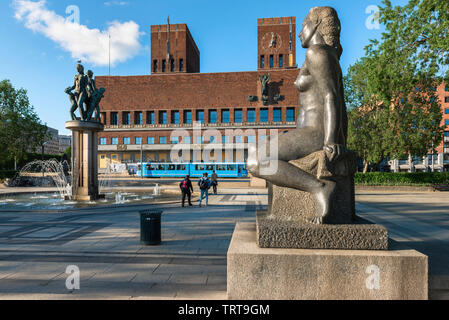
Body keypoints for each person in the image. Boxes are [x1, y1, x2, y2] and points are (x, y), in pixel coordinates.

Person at [248, 7, 347, 225]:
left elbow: (332, 97)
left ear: (316, 25)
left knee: (256, 161)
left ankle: (319, 187)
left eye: (303, 26)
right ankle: (317, 187)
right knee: (259, 148)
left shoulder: (317, 53)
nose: (300, 33)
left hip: (315, 133)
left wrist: (330, 140)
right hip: (307, 130)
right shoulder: (324, 54)